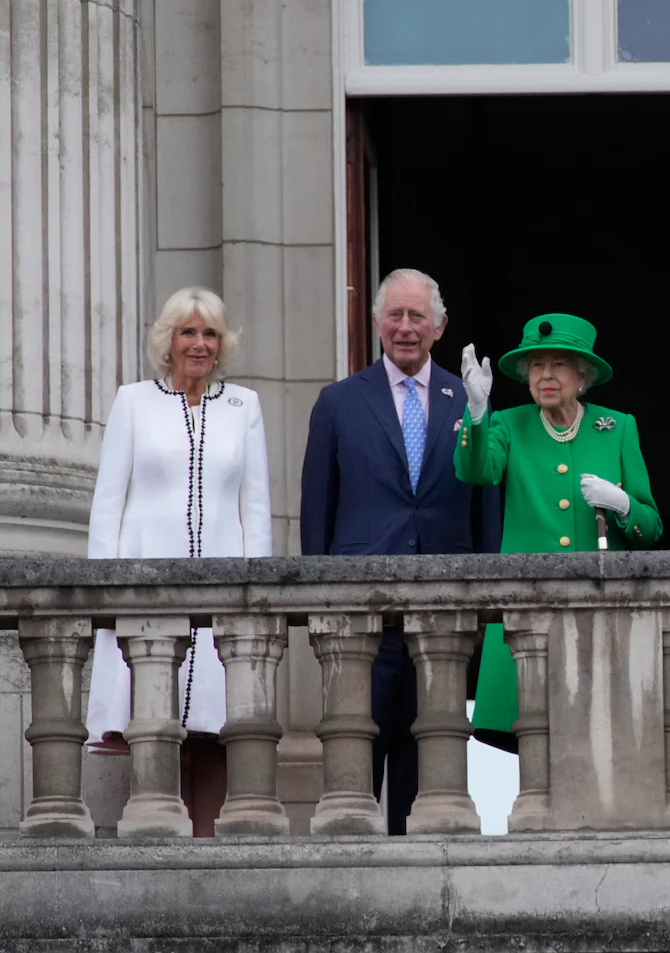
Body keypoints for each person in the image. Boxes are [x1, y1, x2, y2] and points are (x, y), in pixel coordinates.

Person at [300, 268, 496, 835]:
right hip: (360, 616)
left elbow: (487, 504)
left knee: (432, 769)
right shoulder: (338, 403)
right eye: (395, 315)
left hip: (445, 613)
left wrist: (487, 602)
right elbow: (318, 511)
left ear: (440, 327)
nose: (405, 328)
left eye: (417, 317)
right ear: (377, 322)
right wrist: (320, 602)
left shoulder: (470, 400)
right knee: (355, 766)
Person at [87, 286, 271, 837]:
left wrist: (257, 596)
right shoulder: (133, 401)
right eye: (188, 332)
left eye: (209, 333)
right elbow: (108, 504)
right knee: (153, 724)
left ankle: (210, 860)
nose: (199, 343)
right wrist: (104, 592)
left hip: (222, 593)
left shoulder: (244, 406)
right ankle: (155, 849)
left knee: (215, 728)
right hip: (145, 587)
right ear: (168, 340)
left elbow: (256, 508)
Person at [455, 314, 661, 745]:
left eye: (558, 365)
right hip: (527, 608)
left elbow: (651, 527)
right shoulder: (510, 424)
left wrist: (623, 505)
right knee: (532, 741)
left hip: (598, 610)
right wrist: (477, 413)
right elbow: (477, 473)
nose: (545, 376)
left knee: (600, 742)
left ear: (582, 374)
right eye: (536, 366)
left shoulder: (617, 427)